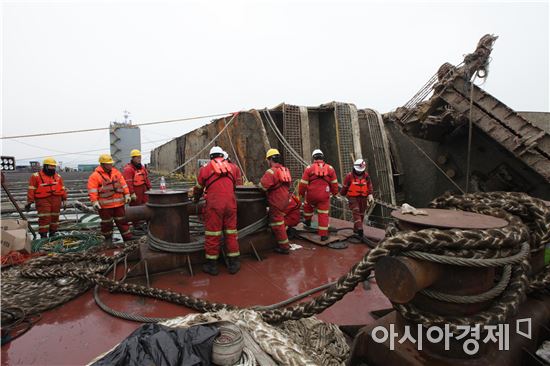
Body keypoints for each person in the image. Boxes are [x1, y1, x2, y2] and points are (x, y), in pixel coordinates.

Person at [193, 146, 242, 275]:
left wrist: (196, 199)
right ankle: (234, 263)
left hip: (215, 205)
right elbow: (236, 186)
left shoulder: (205, 169)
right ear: (222, 155)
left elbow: (198, 188)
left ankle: (212, 265)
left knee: (213, 234)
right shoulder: (233, 168)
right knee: (231, 233)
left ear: (210, 157)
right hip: (231, 204)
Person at [87, 154, 132, 243]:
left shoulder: (116, 172)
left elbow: (123, 184)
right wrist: (94, 201)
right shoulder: (95, 176)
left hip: (119, 204)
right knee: (106, 223)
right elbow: (92, 190)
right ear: (102, 164)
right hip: (105, 206)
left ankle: (127, 238)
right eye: (108, 164)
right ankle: (108, 240)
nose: (110, 165)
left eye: (111, 163)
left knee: (122, 221)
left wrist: (127, 194)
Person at [298, 149, 339, 241]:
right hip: (324, 195)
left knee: (308, 205)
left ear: (313, 158)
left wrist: (301, 194)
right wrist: (335, 193)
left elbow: (303, 184)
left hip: (311, 195)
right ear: (322, 157)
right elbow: (334, 183)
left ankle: (307, 221)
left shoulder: (309, 168)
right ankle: (323, 235)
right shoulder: (330, 168)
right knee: (323, 214)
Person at [258, 148, 292, 254]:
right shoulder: (284, 170)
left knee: (277, 223)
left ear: (270, 160)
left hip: (276, 201)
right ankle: (278, 239)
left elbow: (262, 187)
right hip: (285, 200)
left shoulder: (271, 172)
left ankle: (284, 247)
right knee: (278, 220)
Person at [26, 157, 68, 238]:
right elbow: (31, 189)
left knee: (55, 217)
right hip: (42, 200)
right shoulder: (35, 176)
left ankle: (53, 233)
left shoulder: (58, 176)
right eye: (51, 166)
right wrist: (29, 201)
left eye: (54, 166)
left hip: (56, 199)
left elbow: (62, 188)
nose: (53, 168)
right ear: (45, 166)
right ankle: (43, 235)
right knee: (44, 217)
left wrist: (65, 199)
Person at [340, 159, 374, 238]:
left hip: (363, 198)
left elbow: (369, 185)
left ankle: (356, 231)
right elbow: (345, 187)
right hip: (353, 198)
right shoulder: (349, 176)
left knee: (361, 214)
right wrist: (341, 194)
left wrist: (370, 194)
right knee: (356, 211)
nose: (359, 172)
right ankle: (360, 229)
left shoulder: (366, 176)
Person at [122, 149, 152, 230]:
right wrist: (131, 193)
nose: (139, 159)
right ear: (133, 158)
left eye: (140, 157)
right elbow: (128, 182)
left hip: (144, 189)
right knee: (135, 207)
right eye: (137, 157)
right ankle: (136, 225)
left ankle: (147, 221)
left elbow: (146, 178)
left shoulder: (141, 167)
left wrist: (150, 188)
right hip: (135, 190)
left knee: (146, 205)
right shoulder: (128, 169)